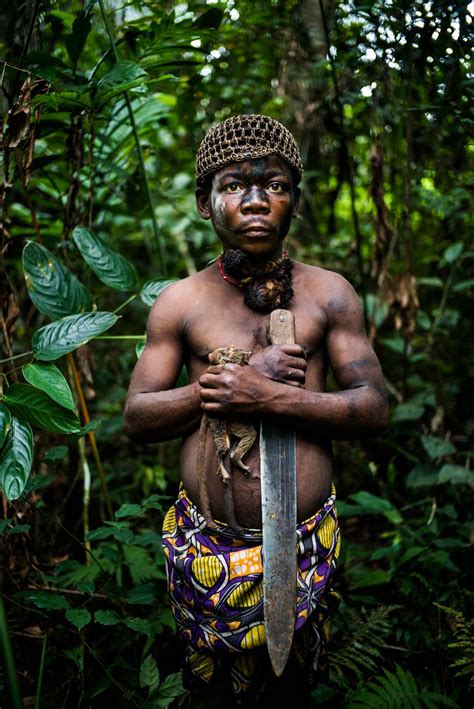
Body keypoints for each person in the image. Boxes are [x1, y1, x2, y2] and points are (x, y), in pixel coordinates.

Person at [124, 114, 388, 707]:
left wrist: (275, 398)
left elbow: (373, 409)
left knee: (291, 690)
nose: (255, 201)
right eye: (234, 185)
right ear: (204, 202)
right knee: (211, 696)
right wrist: (218, 388)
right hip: (207, 551)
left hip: (304, 546)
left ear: (294, 199)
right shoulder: (180, 302)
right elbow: (137, 418)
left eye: (274, 184)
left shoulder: (330, 293)